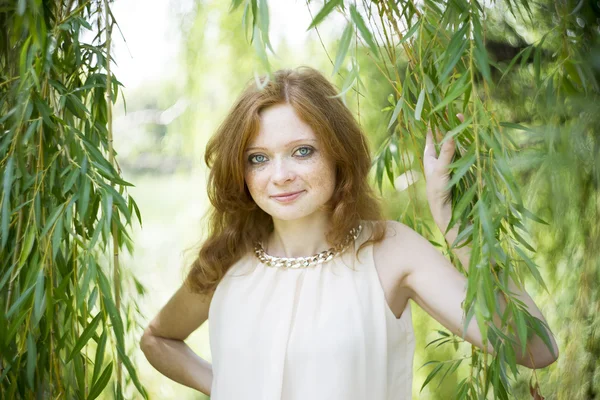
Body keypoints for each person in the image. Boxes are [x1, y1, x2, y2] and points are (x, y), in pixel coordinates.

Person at [140, 66, 559, 399]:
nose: (280, 175)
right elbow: (158, 340)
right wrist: (229, 387)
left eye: (302, 151)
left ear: (339, 154)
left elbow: (536, 350)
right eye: (258, 158)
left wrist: (456, 225)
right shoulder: (227, 258)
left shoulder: (388, 251)